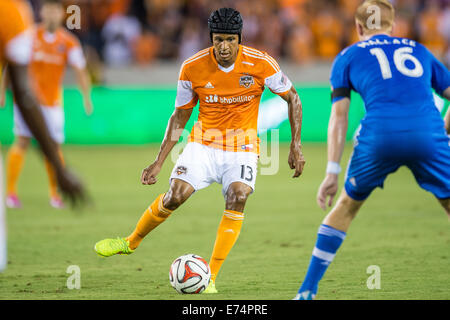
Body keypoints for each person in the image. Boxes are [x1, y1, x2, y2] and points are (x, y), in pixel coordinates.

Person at [95, 7, 306, 293]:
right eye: (218, 39)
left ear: (239, 39)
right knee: (174, 196)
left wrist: (295, 146)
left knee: (238, 195)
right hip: (203, 144)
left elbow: (293, 99)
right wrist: (158, 161)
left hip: (242, 147)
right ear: (211, 38)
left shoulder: (262, 64)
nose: (224, 46)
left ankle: (211, 279)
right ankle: (129, 243)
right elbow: (179, 116)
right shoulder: (192, 67)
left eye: (230, 40)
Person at [294, 0, 450, 300]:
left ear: (358, 27)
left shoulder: (347, 56)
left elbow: (339, 116)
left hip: (379, 136)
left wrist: (331, 171)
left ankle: (307, 291)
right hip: (427, 133)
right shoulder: (420, 50)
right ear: (394, 27)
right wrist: (443, 130)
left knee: (346, 206)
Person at [0, 0, 85, 272]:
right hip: (29, 104)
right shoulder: (19, 20)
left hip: (51, 105)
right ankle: (11, 193)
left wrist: (86, 96)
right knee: (23, 142)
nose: (49, 13)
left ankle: (54, 194)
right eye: (46, 8)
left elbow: (81, 69)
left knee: (53, 144)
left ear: (61, 14)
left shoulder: (67, 41)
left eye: (54, 9)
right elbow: (15, 76)